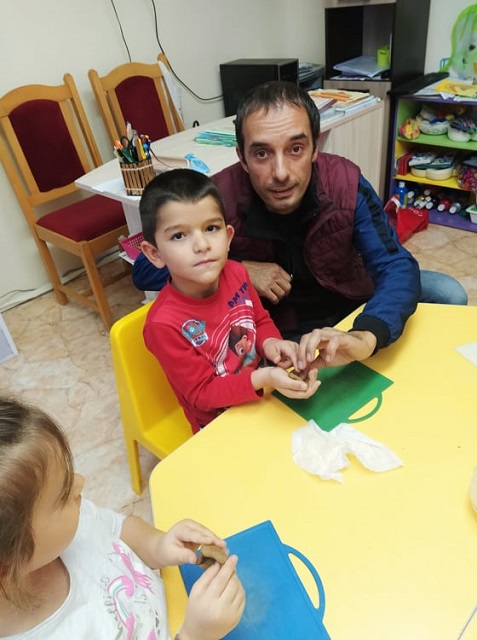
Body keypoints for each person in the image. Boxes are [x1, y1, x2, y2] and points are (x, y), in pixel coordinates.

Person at [133, 81, 467, 372]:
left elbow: (394, 264)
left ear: (315, 148)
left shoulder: (345, 182)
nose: (281, 172)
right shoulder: (215, 199)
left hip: (351, 297)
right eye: (261, 154)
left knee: (447, 293)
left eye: (295, 149)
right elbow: (145, 271)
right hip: (280, 326)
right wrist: (238, 270)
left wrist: (366, 335)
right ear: (242, 158)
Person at [0, 396, 245, 640]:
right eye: (63, 494)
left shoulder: (74, 521)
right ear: (8, 561)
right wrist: (195, 636)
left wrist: (158, 546)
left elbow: (120, 528)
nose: (80, 483)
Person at [139, 168, 319, 433]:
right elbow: (203, 393)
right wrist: (263, 378)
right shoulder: (162, 325)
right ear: (154, 254)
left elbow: (259, 320)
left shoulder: (237, 273)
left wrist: (272, 343)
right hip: (217, 423)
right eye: (179, 235)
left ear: (228, 237)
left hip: (261, 391)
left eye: (211, 228)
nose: (202, 245)